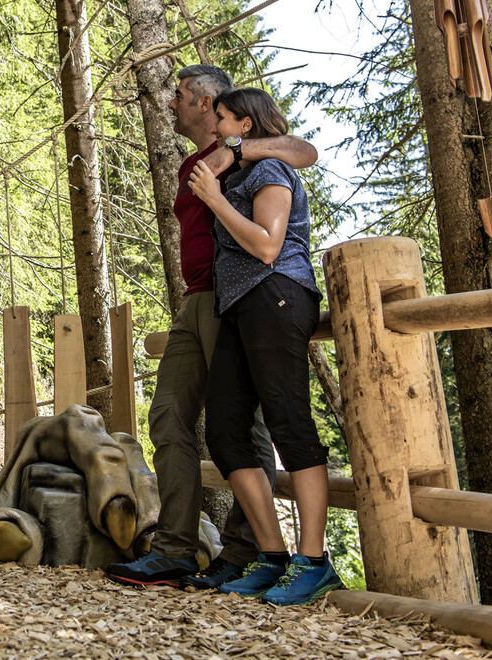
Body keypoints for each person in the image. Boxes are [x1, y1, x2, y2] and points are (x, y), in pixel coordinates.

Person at [106, 64, 317, 590]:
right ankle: (175, 548)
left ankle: (252, 551)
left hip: (245, 297)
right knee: (173, 415)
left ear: (209, 105)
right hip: (199, 299)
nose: (171, 104)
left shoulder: (247, 156)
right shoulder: (192, 164)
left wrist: (240, 150)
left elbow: (304, 153)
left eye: (180, 96)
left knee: (248, 426)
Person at [188, 87, 342, 605]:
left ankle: (315, 560)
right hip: (237, 306)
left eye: (223, 116)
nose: (213, 121)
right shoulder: (235, 169)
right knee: (227, 432)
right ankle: (273, 555)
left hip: (276, 292)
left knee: (287, 420)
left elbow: (266, 244)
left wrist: (213, 199)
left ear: (245, 125)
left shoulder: (269, 172)